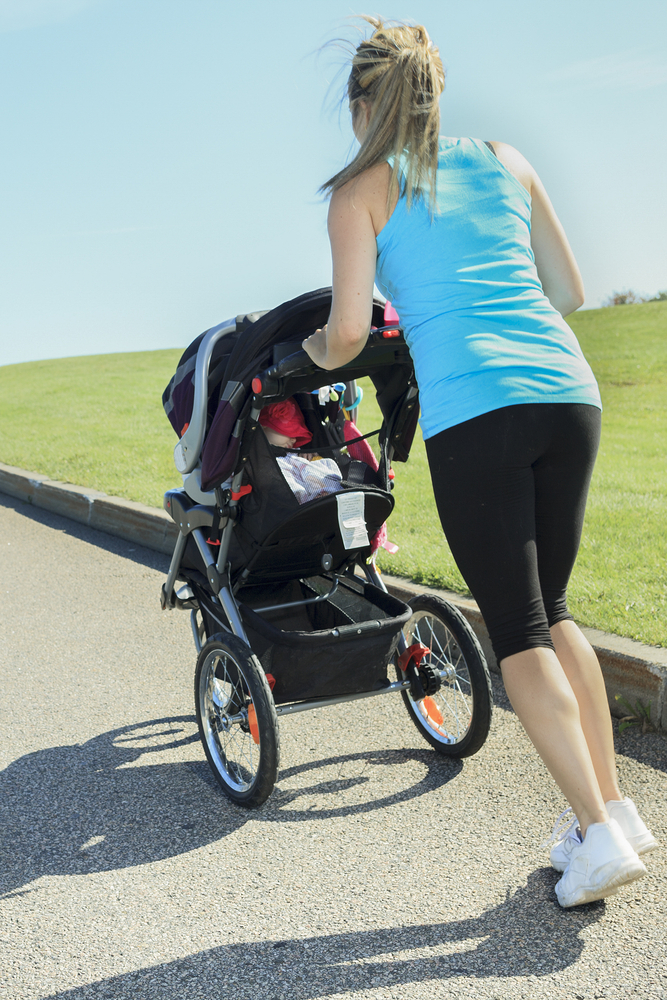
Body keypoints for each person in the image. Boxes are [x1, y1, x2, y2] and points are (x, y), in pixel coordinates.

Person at [302, 16, 657, 907]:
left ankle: (597, 838)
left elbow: (347, 333)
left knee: (518, 633)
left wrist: (308, 356)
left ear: (360, 106)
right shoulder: (505, 157)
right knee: (555, 609)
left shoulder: (358, 192)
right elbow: (568, 291)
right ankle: (611, 808)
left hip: (478, 409)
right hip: (568, 395)